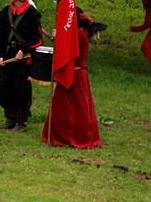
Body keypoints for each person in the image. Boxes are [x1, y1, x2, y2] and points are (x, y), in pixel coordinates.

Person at [42, 8, 106, 148]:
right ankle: (61, 134)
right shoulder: (77, 33)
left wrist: (58, 38)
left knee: (76, 108)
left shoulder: (79, 34)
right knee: (64, 107)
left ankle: (77, 136)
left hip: (75, 75)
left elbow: (70, 52)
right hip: (71, 73)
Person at [0, 0, 43, 131]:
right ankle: (10, 119)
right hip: (9, 54)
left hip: (24, 57)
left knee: (21, 89)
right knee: (4, 86)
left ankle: (21, 122)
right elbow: (1, 36)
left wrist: (23, 50)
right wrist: (1, 55)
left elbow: (36, 38)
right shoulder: (5, 13)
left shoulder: (32, 14)